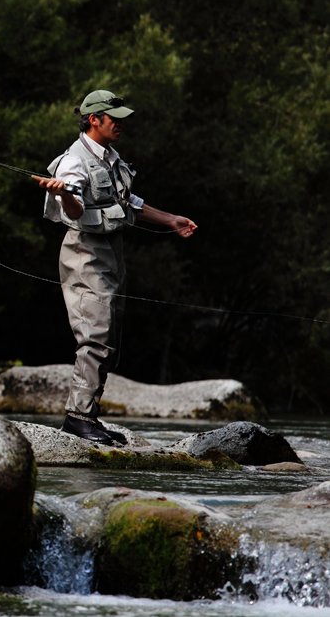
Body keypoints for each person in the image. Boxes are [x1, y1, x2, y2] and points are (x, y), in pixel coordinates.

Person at [37, 90, 197, 444]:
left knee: (110, 335)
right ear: (94, 119)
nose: (120, 123)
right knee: (95, 334)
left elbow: (128, 202)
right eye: (115, 118)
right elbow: (75, 212)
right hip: (85, 252)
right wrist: (63, 193)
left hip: (112, 251)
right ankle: (77, 419)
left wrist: (170, 219)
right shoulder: (72, 162)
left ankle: (89, 417)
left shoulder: (110, 156)